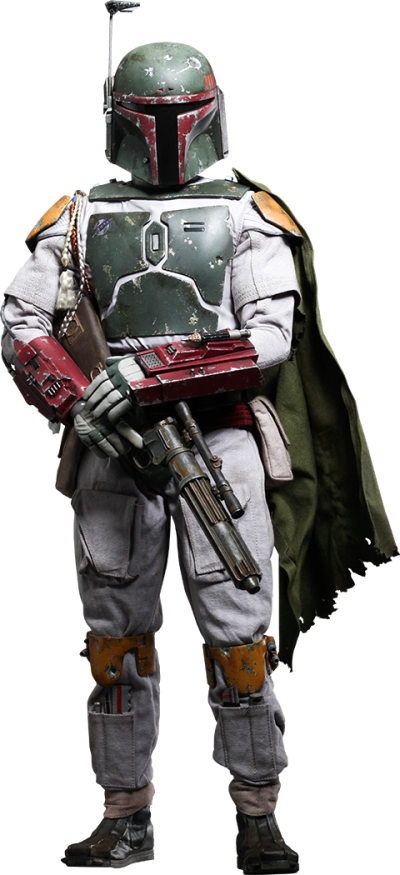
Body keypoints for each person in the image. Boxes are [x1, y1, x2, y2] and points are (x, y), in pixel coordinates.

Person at [0, 39, 397, 873]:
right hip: (114, 445)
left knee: (239, 635)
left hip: (217, 439)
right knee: (115, 638)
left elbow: (269, 338)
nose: (166, 135)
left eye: (178, 117)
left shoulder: (246, 214)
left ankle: (257, 812)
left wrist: (147, 372)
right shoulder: (77, 217)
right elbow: (20, 325)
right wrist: (78, 400)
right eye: (152, 118)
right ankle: (125, 814)